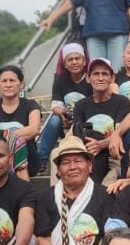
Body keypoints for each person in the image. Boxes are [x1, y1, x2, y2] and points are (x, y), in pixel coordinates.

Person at [34, 136, 109, 245]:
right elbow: (43, 238)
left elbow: (108, 237)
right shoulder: (46, 197)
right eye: (66, 162)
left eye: (78, 161)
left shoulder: (104, 195)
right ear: (58, 170)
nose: (73, 167)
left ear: (89, 166)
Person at [72, 57, 130, 184]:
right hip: (87, 156)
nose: (100, 78)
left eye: (105, 74)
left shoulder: (122, 102)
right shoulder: (80, 105)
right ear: (88, 78)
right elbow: (76, 134)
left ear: (112, 79)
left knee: (105, 189)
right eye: (96, 74)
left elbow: (120, 132)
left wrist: (101, 145)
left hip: (113, 156)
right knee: (57, 153)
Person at [37, 43, 91, 171]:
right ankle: (42, 160)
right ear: (65, 64)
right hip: (66, 118)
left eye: (77, 58)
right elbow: (55, 105)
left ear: (84, 61)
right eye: (70, 59)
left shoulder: (91, 78)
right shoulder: (61, 79)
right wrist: (62, 114)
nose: (74, 62)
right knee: (54, 120)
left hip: (86, 120)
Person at [0, 64, 42, 180]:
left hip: (29, 160)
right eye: (4, 81)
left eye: (12, 80)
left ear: (21, 84)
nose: (8, 85)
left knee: (19, 142)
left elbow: (34, 129)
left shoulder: (31, 105)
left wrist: (4, 137)